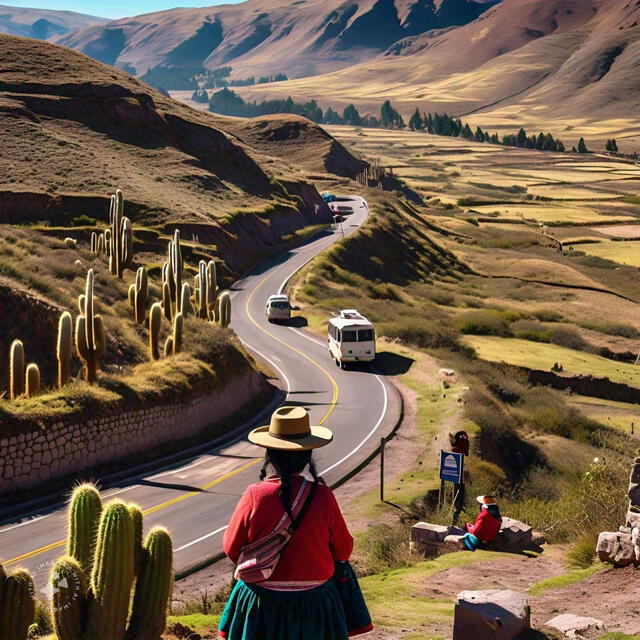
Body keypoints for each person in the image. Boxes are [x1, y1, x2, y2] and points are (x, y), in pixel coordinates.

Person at [219, 406, 368, 640]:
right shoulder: (322, 496)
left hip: (262, 602)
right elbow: (343, 549)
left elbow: (231, 549)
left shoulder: (255, 494)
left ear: (270, 455)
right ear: (307, 456)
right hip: (315, 603)